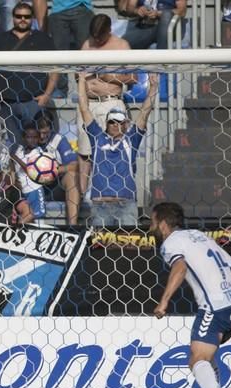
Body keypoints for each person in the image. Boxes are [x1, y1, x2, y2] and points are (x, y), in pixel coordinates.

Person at [151, 202, 231, 388]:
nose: (150, 227)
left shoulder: (172, 242)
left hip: (214, 305)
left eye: (152, 222)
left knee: (197, 357)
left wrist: (163, 302)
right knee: (206, 355)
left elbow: (179, 267)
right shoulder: (200, 236)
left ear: (162, 224)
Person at [77, 72, 157, 227]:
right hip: (100, 205)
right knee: (100, 248)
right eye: (112, 122)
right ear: (106, 124)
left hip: (125, 204)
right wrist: (81, 80)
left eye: (119, 122)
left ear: (126, 124)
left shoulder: (131, 139)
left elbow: (145, 112)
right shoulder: (97, 138)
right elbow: (84, 107)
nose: (115, 125)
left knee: (129, 247)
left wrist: (153, 87)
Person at [76, 13, 136, 196]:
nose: (96, 40)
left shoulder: (121, 46)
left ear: (109, 31)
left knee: (112, 147)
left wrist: (111, 76)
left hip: (110, 103)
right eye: (94, 37)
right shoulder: (87, 45)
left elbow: (134, 77)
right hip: (87, 104)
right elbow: (77, 73)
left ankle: (115, 192)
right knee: (85, 153)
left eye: (100, 37)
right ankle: (85, 197)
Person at [0, 1, 57, 151]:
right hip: (6, 103)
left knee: (38, 146)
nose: (22, 19)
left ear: (32, 18)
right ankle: (15, 174)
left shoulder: (43, 39)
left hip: (33, 102)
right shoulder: (0, 39)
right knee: (13, 148)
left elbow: (55, 69)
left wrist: (47, 95)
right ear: (12, 17)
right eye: (18, 16)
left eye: (26, 16)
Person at [34, 110, 79, 225]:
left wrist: (53, 170)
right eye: (40, 133)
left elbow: (75, 165)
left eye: (46, 133)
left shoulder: (58, 140)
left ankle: (73, 226)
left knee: (72, 176)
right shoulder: (28, 139)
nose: (43, 137)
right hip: (33, 189)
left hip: (55, 188)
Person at [121, 0, 187, 50]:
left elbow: (182, 11)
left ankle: (162, 57)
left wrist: (159, 14)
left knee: (166, 15)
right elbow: (130, 8)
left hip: (170, 27)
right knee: (122, 45)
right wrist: (137, 10)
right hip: (146, 26)